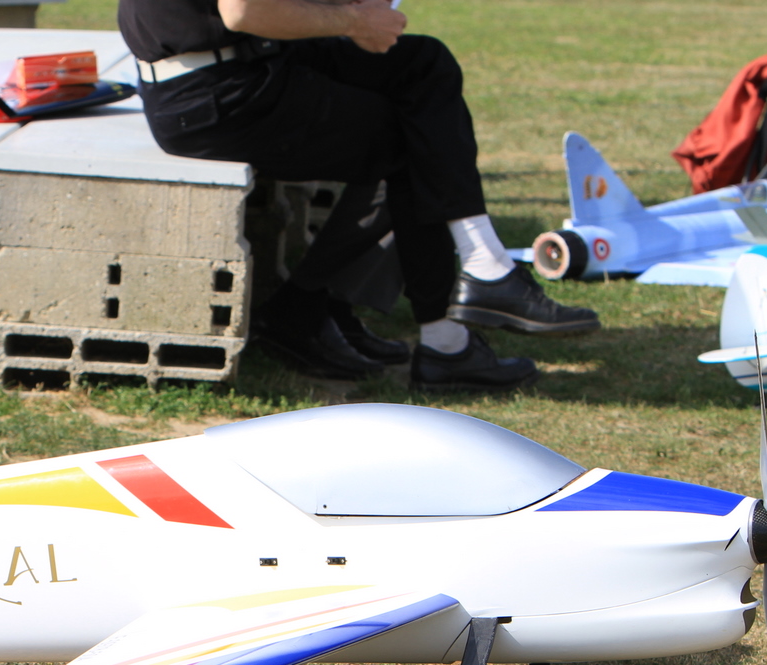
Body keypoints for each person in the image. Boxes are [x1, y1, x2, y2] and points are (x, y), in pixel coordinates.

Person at [118, 0, 600, 389]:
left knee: (423, 65)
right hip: (217, 93)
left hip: (238, 66)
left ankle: (477, 276)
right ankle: (444, 337)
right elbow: (245, 11)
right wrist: (353, 21)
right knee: (413, 141)